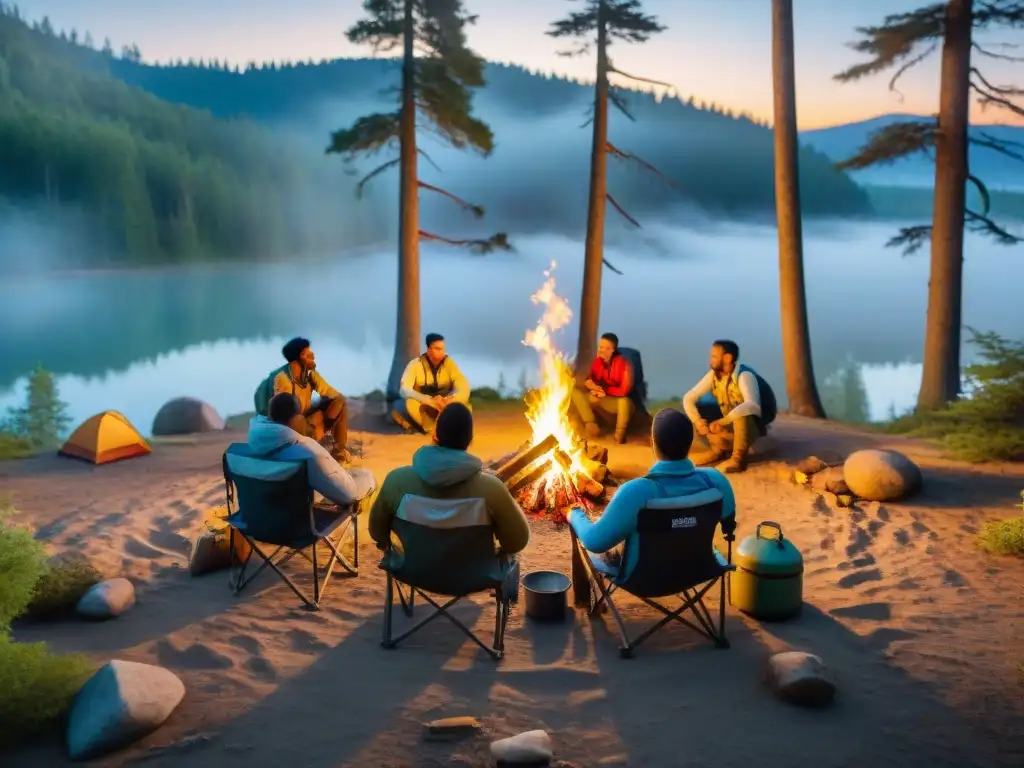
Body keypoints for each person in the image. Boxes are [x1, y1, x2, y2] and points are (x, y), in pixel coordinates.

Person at [568, 408, 736, 577]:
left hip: (644, 579)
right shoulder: (715, 481)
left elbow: (594, 541)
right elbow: (728, 522)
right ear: (689, 443)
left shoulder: (636, 492)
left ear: (653, 443)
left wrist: (575, 514)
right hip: (696, 570)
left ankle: (585, 599)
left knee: (582, 531)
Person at [369, 403, 530, 557]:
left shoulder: (396, 480)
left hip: (413, 572)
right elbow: (517, 542)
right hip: (474, 574)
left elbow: (377, 532)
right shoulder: (492, 488)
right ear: (470, 440)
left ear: (435, 435)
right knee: (513, 558)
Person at [247, 393, 376, 507]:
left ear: (270, 417)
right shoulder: (308, 452)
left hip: (264, 512)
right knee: (365, 476)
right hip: (295, 517)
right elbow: (348, 494)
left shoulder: (255, 441)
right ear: (297, 419)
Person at [681, 339, 775, 473]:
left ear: (727, 358)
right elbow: (688, 398)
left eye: (714, 356)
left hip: (753, 423)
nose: (710, 360)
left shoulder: (744, 375)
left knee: (742, 412)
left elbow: (752, 405)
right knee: (702, 407)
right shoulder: (713, 375)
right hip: (730, 421)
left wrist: (723, 421)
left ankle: (738, 458)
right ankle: (718, 450)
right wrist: (697, 421)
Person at [254, 337, 351, 462]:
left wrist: (329, 418)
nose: (312, 355)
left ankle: (339, 451)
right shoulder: (282, 379)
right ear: (298, 358)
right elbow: (283, 415)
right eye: (306, 353)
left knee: (340, 402)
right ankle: (310, 444)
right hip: (290, 428)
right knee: (296, 419)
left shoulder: (310, 374)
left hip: (306, 422)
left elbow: (334, 395)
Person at [392, 333, 472, 434]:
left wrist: (450, 399)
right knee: (405, 405)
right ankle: (428, 428)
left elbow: (463, 386)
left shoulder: (450, 364)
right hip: (424, 406)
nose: (442, 352)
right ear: (429, 349)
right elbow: (404, 390)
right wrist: (429, 401)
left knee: (466, 405)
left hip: (444, 405)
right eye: (438, 349)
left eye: (443, 349)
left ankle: (442, 427)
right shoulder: (415, 365)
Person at [570, 332, 635, 444]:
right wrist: (590, 384)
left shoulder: (624, 364)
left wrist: (604, 391)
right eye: (600, 347)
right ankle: (591, 425)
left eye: (606, 348)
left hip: (616, 403)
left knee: (624, 402)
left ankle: (619, 435)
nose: (601, 350)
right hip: (601, 399)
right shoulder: (597, 362)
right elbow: (591, 378)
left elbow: (624, 391)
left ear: (613, 350)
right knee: (575, 392)